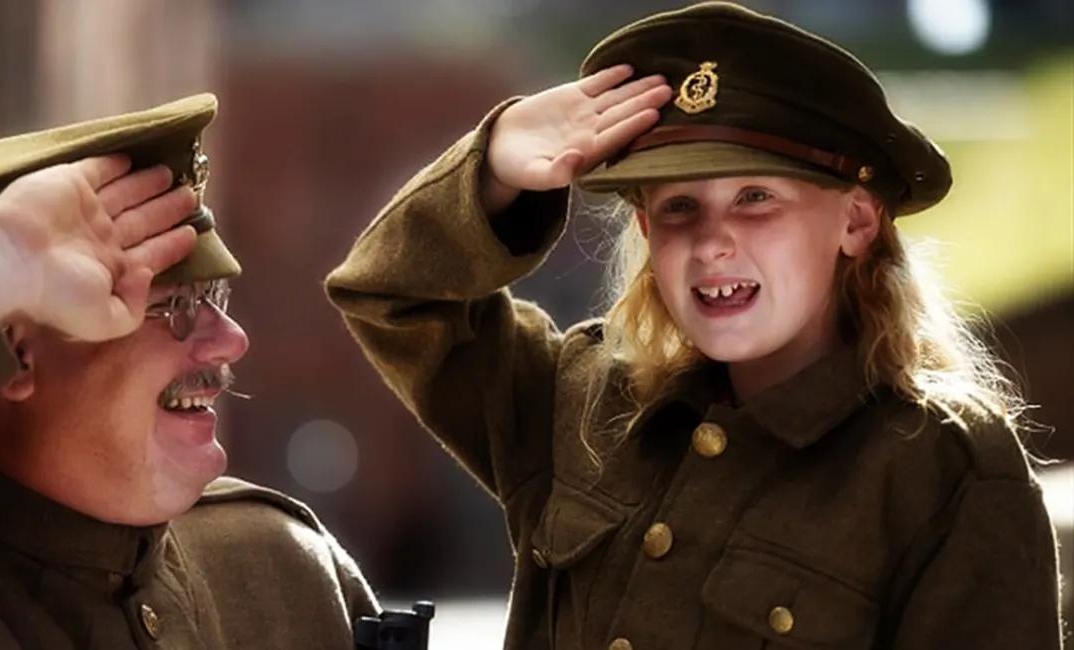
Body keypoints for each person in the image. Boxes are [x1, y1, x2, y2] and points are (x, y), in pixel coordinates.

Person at [326, 3, 1063, 649]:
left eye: (755, 198)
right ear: (648, 230)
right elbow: (392, 295)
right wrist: (493, 166)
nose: (711, 243)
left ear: (858, 220)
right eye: (680, 207)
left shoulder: (943, 469)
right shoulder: (582, 402)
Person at [0, 93, 377, 649]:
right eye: (175, 307)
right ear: (10, 352)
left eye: (215, 298)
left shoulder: (281, 569)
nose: (230, 341)